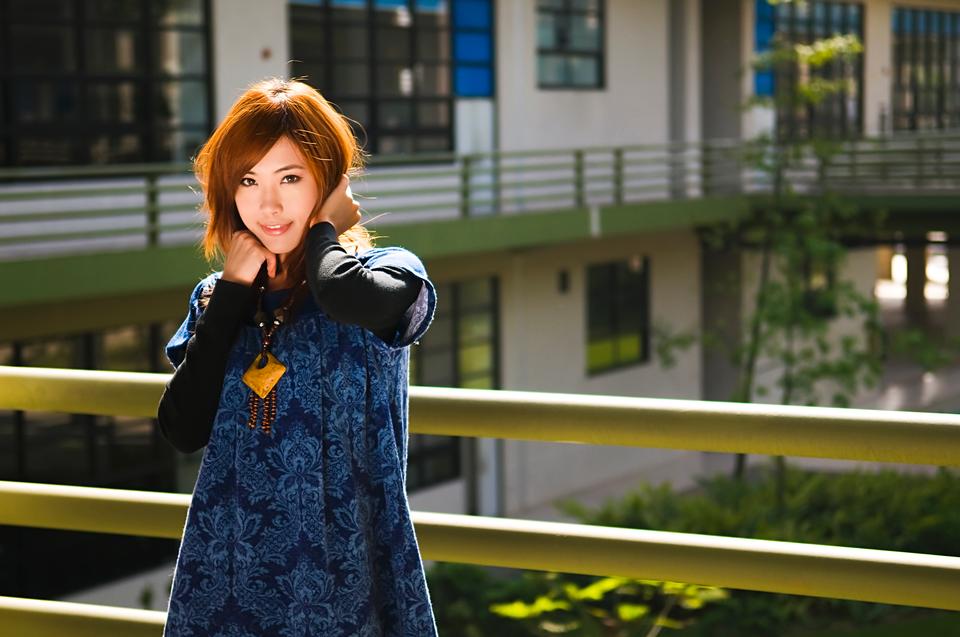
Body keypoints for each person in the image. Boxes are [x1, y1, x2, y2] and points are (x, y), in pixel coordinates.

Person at [157, 77, 439, 636]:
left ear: (329, 181)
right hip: (228, 571)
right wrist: (234, 293)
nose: (268, 204)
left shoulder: (389, 273)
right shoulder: (217, 296)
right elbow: (182, 429)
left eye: (291, 177)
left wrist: (328, 228)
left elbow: (338, 292)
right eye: (248, 179)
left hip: (348, 563)